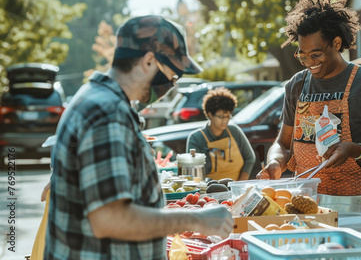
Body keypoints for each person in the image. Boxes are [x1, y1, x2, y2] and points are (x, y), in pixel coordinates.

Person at [44, 16, 234, 259]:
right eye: (172, 76)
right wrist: (196, 219)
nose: (171, 86)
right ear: (149, 60)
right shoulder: (108, 114)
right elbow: (110, 219)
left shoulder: (94, 97)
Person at [257, 0, 361, 216]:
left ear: (336, 43)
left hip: (354, 206)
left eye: (316, 55)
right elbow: (284, 143)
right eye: (303, 56)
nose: (310, 64)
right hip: (303, 203)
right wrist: (275, 161)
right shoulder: (296, 85)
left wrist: (354, 149)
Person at [186, 87, 256, 181]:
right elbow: (194, 172)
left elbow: (250, 158)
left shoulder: (234, 131)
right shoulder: (196, 138)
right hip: (209, 191)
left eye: (228, 116)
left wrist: (239, 184)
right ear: (210, 114)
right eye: (221, 116)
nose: (225, 120)